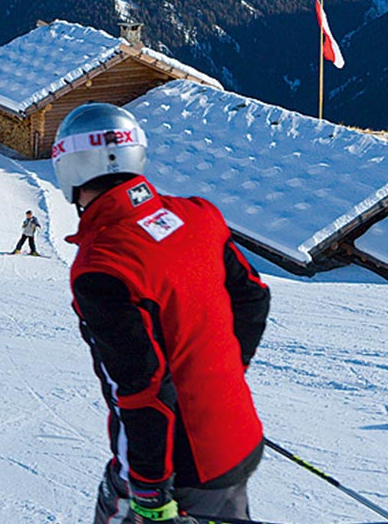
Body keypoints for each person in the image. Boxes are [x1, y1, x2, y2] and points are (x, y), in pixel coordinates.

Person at [53, 103, 272, 524]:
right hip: (236, 436)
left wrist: (149, 489)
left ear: (70, 168)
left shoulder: (103, 266)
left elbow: (140, 387)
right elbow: (252, 298)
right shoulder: (198, 216)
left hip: (180, 465)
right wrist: (218, 379)